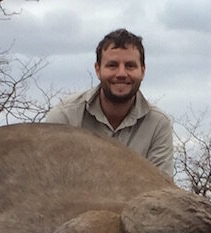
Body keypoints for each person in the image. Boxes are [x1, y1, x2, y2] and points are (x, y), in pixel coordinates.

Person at [44, 29, 174, 176]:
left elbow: (161, 192)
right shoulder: (64, 117)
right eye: (112, 65)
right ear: (97, 70)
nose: (121, 74)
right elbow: (48, 182)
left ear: (143, 71)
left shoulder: (158, 124)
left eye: (130, 66)